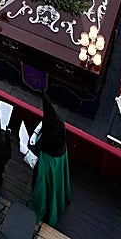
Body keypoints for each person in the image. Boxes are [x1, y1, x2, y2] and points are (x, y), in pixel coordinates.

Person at [28, 93, 71, 228]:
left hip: (49, 160)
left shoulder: (50, 135)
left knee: (42, 185)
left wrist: (30, 147)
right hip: (60, 156)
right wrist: (36, 133)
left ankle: (42, 209)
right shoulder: (59, 123)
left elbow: (40, 149)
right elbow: (45, 122)